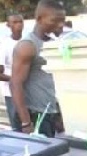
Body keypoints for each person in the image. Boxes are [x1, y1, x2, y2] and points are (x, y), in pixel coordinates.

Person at [10, 0, 66, 137]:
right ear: (39, 19)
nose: (60, 25)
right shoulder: (27, 46)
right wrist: (26, 122)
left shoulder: (52, 44)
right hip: (34, 115)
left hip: (49, 112)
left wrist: (57, 114)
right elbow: (15, 84)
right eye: (55, 20)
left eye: (62, 21)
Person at [0, 14, 24, 130]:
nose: (18, 25)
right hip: (13, 94)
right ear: (8, 25)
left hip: (31, 92)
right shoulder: (5, 45)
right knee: (18, 127)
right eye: (14, 22)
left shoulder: (28, 41)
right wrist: (15, 79)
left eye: (20, 22)